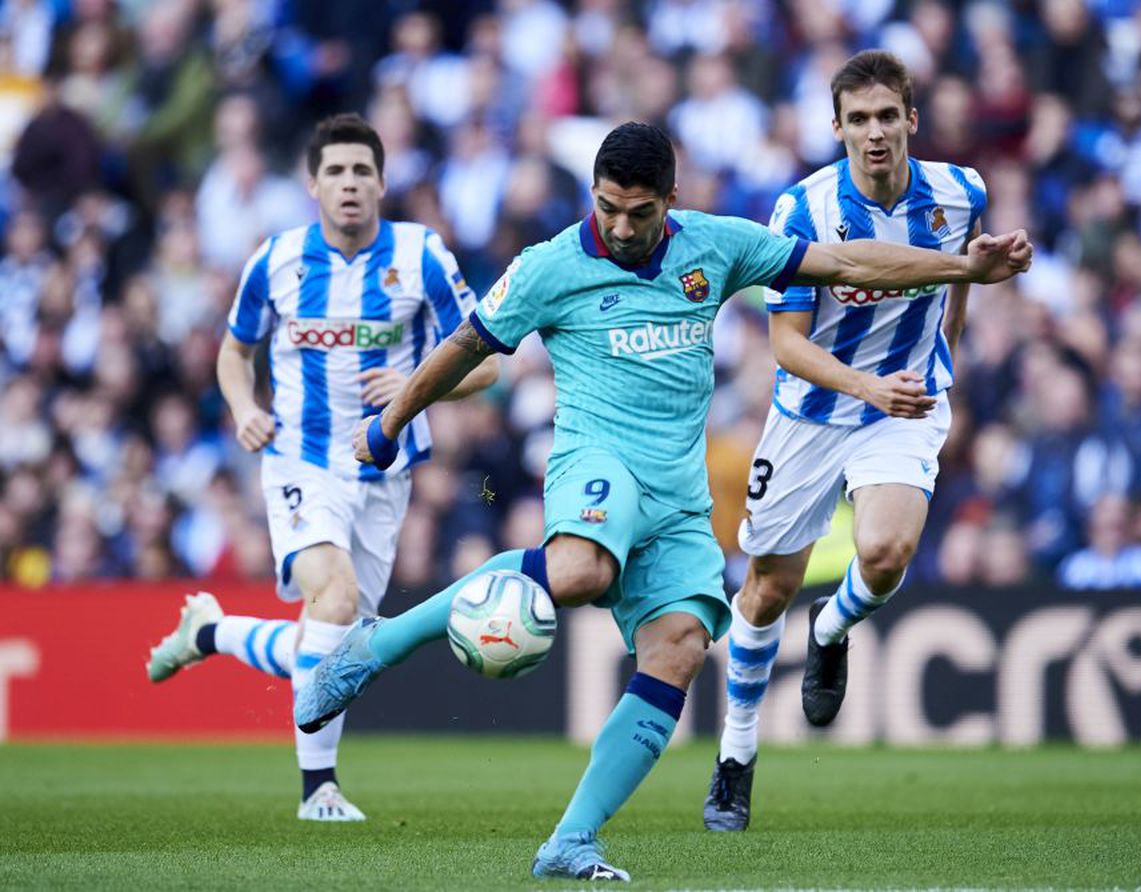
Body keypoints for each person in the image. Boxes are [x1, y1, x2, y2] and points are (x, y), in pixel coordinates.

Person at [294, 121, 1030, 879]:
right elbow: (464, 346)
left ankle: (570, 841)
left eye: (639, 213)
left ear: (671, 200)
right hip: (597, 461)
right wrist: (389, 423)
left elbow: (843, 261)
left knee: (679, 647)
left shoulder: (717, 244)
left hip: (677, 497)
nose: (620, 227)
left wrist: (961, 270)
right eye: (607, 208)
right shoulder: (548, 266)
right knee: (579, 570)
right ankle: (376, 645)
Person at [145, 113, 498, 821]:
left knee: (338, 649)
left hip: (384, 471)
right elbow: (234, 351)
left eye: (361, 171)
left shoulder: (423, 256)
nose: (349, 184)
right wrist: (242, 406)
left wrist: (416, 388)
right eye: (335, 171)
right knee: (333, 600)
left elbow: (486, 363)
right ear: (313, 185)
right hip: (300, 462)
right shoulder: (276, 259)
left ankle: (210, 632)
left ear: (382, 182)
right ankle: (318, 790)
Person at [703, 50, 991, 832]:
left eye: (887, 116)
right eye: (858, 119)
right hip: (811, 410)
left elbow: (959, 277)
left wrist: (945, 356)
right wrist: (867, 385)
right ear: (837, 128)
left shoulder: (961, 193)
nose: (875, 132)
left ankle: (829, 631)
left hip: (902, 405)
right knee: (767, 589)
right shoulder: (802, 209)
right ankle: (735, 756)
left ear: (911, 120)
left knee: (887, 552)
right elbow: (786, 344)